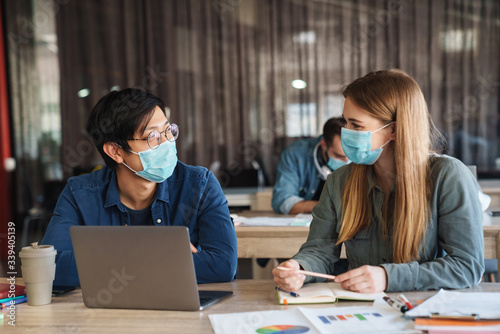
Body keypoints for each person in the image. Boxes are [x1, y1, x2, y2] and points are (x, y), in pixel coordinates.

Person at [273, 69, 485, 293]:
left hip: (422, 309)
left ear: (393, 129)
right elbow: (319, 251)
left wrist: (387, 277)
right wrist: (299, 268)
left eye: (356, 125)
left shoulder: (448, 176)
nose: (346, 133)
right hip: (360, 309)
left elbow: (467, 266)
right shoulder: (339, 182)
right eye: (346, 123)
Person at [42, 88, 238, 286]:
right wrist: (157, 252)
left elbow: (222, 266)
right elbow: (49, 267)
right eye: (152, 136)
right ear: (115, 151)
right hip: (105, 313)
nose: (167, 142)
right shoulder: (79, 194)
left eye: (168, 130)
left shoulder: (200, 184)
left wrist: (115, 262)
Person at [272, 117, 349, 214]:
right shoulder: (295, 154)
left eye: (350, 156)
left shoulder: (364, 157)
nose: (346, 161)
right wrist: (329, 207)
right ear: (324, 144)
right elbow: (282, 201)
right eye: (339, 156)